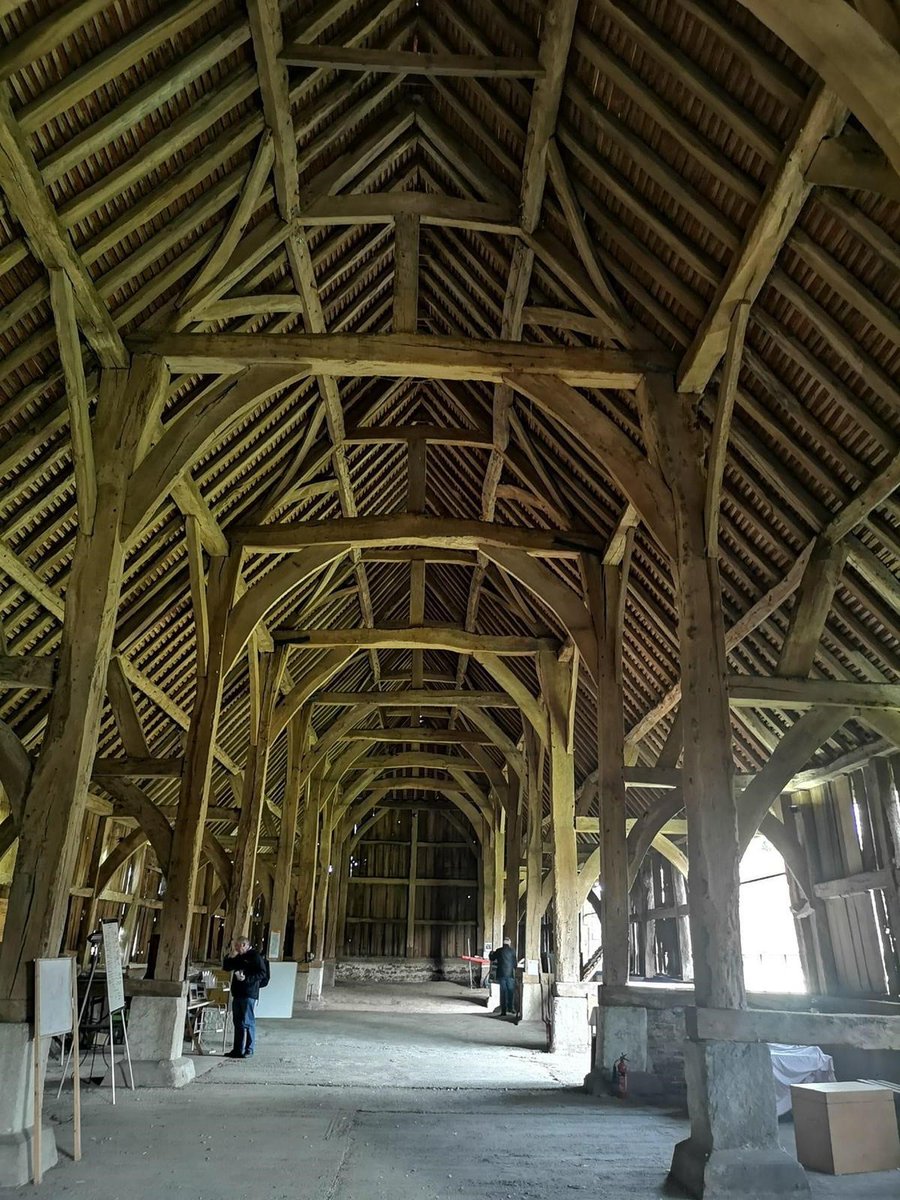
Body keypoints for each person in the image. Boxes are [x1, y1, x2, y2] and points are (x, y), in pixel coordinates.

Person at [223, 936, 266, 1058]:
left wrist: (247, 978)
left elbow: (262, 973)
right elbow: (226, 968)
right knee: (238, 1023)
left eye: (237, 946)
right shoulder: (238, 956)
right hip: (237, 993)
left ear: (244, 945)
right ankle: (237, 1050)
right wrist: (230, 957)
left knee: (248, 1021)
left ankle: (249, 1049)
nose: (236, 948)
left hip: (249, 993)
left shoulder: (255, 956)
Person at [489, 937, 517, 1018]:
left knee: (503, 992)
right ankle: (511, 1008)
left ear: (503, 943)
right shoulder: (512, 951)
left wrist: (491, 953)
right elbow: (515, 964)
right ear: (509, 943)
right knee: (510, 991)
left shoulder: (499, 950)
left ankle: (503, 1011)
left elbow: (492, 958)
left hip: (501, 974)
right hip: (510, 974)